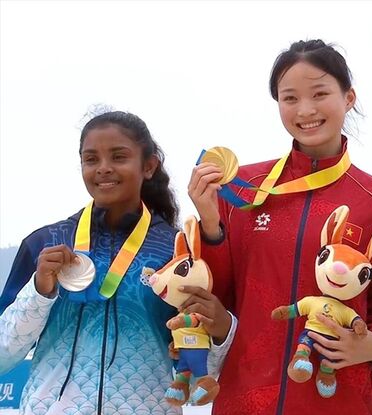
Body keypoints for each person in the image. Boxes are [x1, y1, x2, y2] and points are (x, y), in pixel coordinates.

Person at [187, 39, 372, 415]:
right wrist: (210, 221)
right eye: (290, 98)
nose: (305, 110)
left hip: (339, 398)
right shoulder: (243, 189)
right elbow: (218, 293)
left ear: (348, 97)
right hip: (246, 396)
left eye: (320, 94)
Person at [0, 111, 223, 414]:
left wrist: (220, 329)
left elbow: (202, 365)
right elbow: (3, 355)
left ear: (148, 166)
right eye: (91, 159)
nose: (103, 168)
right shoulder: (45, 243)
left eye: (118, 157)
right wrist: (40, 291)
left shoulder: (177, 254)